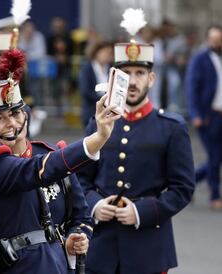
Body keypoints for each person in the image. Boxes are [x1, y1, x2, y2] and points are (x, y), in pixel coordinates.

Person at [0, 75, 119, 273]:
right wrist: (98, 137)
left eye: (15, 113)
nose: (12, 123)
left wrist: (74, 239)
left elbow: (80, 215)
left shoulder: (47, 154)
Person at [79, 31, 195, 273]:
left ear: (151, 78)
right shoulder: (98, 124)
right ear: (114, 79)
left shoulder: (171, 128)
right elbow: (81, 179)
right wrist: (95, 205)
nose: (132, 81)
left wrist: (140, 212)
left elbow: (182, 189)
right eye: (125, 74)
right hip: (101, 248)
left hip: (148, 247)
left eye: (140, 73)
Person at [186, 25, 222, 209]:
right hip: (209, 117)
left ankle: (187, 184)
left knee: (217, 158)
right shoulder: (200, 59)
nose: (216, 43)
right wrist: (195, 114)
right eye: (213, 39)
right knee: (215, 157)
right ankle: (215, 196)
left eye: (219, 39)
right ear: (208, 39)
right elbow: (192, 87)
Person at [79, 41, 113, 127]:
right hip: (91, 110)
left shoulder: (111, 68)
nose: (107, 55)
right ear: (97, 52)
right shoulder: (87, 68)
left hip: (108, 111)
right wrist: (103, 100)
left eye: (109, 53)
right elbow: (85, 90)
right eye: (105, 52)